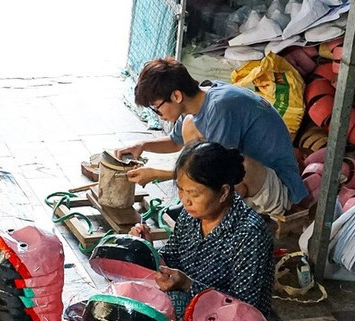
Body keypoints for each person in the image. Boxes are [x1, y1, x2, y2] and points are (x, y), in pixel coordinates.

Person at [115, 57, 307, 216]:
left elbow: (217, 170)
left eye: (156, 108)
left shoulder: (221, 107)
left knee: (237, 166)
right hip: (248, 179)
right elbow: (175, 141)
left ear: (176, 96)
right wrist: (142, 145)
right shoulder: (197, 102)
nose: (158, 115)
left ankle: (223, 216)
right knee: (190, 126)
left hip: (280, 189)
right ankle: (202, 204)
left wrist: (157, 174)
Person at [131, 141, 274, 318]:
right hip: (190, 301)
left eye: (194, 194)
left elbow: (245, 306)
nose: (185, 200)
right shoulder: (191, 215)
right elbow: (172, 257)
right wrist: (148, 249)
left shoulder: (250, 234)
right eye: (181, 190)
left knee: (165, 307)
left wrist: (187, 285)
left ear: (223, 192)